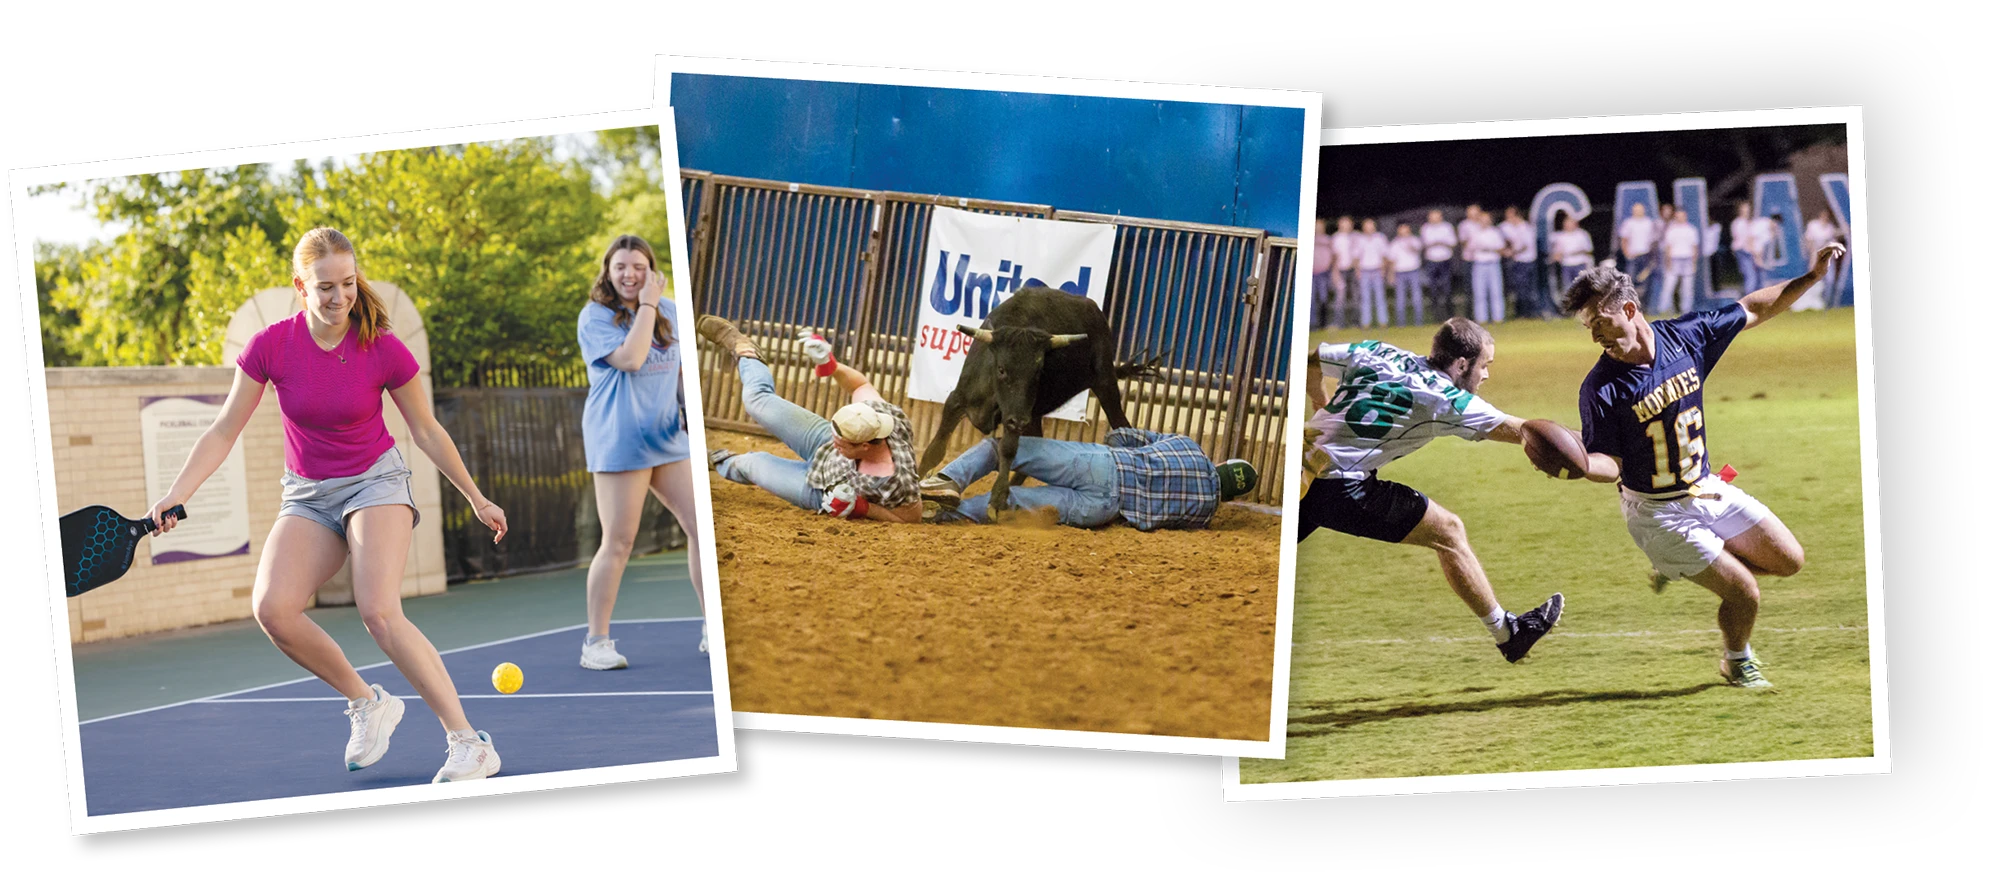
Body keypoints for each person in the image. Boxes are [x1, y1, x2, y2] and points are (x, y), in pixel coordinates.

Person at [146, 228, 508, 782]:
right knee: (273, 609)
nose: (340, 297)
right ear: (300, 286)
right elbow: (223, 430)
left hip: (375, 483)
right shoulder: (271, 345)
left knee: (379, 611)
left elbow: (428, 431)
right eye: (325, 287)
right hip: (308, 493)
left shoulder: (382, 346)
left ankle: (469, 742)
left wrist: (476, 497)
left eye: (348, 283)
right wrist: (178, 493)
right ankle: (369, 702)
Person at [1559, 243, 1846, 689]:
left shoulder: (1685, 337)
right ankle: (1737, 660)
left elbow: (1752, 309)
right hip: (1657, 512)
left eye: (1600, 321)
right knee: (1743, 591)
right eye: (1587, 327)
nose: (1594, 334)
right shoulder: (1599, 388)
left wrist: (1810, 278)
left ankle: (1680, 564)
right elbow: (1609, 464)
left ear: (1630, 308)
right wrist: (1575, 463)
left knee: (1790, 561)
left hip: (1705, 486)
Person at [1298, 318, 1565, 663]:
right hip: (1339, 484)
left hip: (1301, 463)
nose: (1486, 376)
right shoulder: (1445, 398)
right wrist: (1591, 453)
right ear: (1462, 364)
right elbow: (1524, 431)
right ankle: (1510, 635)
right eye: (1485, 366)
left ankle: (1510, 634)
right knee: (1448, 532)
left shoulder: (1378, 351)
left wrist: (1319, 401)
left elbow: (1312, 359)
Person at [576, 234, 707, 668]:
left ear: (650, 269)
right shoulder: (595, 317)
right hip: (620, 439)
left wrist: (693, 418)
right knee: (619, 541)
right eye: (621, 267)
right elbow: (632, 359)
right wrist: (649, 305)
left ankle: (713, 625)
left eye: (638, 266)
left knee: (701, 528)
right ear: (608, 273)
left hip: (668, 437)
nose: (630, 275)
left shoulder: (670, 312)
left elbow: (680, 372)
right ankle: (596, 643)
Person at [698, 318, 924, 522]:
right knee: (756, 400)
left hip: (821, 489)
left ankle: (716, 460)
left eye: (842, 441)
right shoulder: (886, 417)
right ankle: (745, 350)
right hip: (820, 441)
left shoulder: (898, 481)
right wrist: (831, 364)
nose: (838, 440)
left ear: (865, 445)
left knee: (750, 464)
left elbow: (910, 518)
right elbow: (860, 385)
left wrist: (863, 508)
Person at [918, 430, 1259, 530]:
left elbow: (1122, 435)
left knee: (1002, 449)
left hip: (1103, 465)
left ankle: (948, 480)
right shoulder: (1204, 515)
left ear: (1221, 463)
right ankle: (942, 514)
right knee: (1009, 503)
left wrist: (1117, 447)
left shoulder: (1188, 447)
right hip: (1105, 509)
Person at [1658, 208, 1702, 315]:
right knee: (1669, 285)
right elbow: (1668, 247)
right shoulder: (1671, 230)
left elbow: (1695, 247)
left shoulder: (1691, 230)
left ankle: (1686, 309)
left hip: (1687, 259)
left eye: (1682, 215)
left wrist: (1694, 263)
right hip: (1674, 259)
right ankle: (1663, 308)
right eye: (1678, 216)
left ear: (1685, 216)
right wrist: (1668, 262)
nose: (1680, 218)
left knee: (1687, 287)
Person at [1466, 211, 1507, 323]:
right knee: (1480, 292)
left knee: (1496, 291)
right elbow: (1470, 248)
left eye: (1486, 219)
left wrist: (1489, 248)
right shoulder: (1475, 233)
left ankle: (1498, 317)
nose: (1484, 222)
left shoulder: (1495, 232)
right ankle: (1481, 318)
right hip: (1479, 264)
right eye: (1482, 219)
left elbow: (1501, 248)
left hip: (1493, 264)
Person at [1798, 209, 1842, 311]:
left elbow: (1833, 242)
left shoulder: (1830, 228)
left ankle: (1827, 304)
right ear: (1820, 216)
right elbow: (1809, 241)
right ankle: (1811, 302)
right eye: (1823, 216)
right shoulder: (1813, 225)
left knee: (1830, 281)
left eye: (1827, 216)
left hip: (1827, 256)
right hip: (1815, 254)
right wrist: (1812, 257)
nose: (1825, 218)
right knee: (1814, 280)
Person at [1499, 206, 1538, 318]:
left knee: (1527, 288)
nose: (1508, 218)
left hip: (1527, 261)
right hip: (1516, 261)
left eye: (1510, 215)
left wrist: (1512, 252)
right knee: (1518, 289)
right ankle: (1519, 312)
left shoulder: (1526, 227)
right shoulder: (1507, 227)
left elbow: (1525, 246)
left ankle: (1528, 313)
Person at [1419, 210, 1457, 324]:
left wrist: (1440, 242)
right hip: (1431, 261)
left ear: (1441, 217)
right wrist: (1437, 243)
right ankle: (1437, 317)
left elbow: (1453, 242)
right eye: (1432, 217)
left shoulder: (1447, 227)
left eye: (1436, 217)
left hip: (1445, 260)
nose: (1434, 219)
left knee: (1447, 289)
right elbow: (1424, 243)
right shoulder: (1425, 228)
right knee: (1433, 290)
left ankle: (1450, 316)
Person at [1353, 218, 1391, 328]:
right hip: (1364, 271)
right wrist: (1357, 271)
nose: (1369, 228)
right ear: (1363, 227)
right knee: (1365, 298)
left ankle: (1383, 322)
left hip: (1377, 270)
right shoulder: (1359, 239)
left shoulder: (1380, 238)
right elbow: (1356, 257)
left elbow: (1384, 255)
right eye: (1367, 225)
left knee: (1380, 297)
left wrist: (1384, 270)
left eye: (1371, 225)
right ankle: (1366, 323)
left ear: (1374, 226)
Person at [1618, 203, 1659, 300]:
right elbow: (1624, 240)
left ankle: (1643, 305)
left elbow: (1653, 241)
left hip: (1645, 256)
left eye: (1640, 210)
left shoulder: (1649, 222)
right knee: (1630, 280)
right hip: (1633, 256)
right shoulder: (1628, 223)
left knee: (1645, 281)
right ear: (1633, 211)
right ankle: (1630, 303)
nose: (1638, 212)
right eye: (1636, 210)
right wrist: (1627, 254)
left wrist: (1652, 255)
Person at [1389, 222, 1425, 327]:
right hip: (1400, 272)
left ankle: (1419, 322)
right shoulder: (1395, 243)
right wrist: (1391, 274)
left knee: (1416, 297)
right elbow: (1392, 260)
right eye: (1401, 229)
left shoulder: (1414, 240)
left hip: (1414, 271)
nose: (1403, 231)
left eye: (1405, 228)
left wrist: (1409, 244)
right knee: (1400, 299)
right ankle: (1401, 324)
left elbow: (1417, 249)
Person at [1549, 211, 1595, 294]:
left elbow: (1588, 250)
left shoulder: (1582, 234)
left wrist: (1571, 253)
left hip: (1580, 265)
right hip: (1566, 266)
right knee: (1568, 288)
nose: (1568, 224)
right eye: (1566, 222)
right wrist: (1555, 257)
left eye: (1570, 222)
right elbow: (1556, 251)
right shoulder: (1559, 236)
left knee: (1581, 288)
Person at [1454, 204, 1484, 319]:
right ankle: (1470, 314)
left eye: (1476, 213)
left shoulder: (1483, 224)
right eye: (1471, 213)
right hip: (1469, 259)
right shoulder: (1464, 225)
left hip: (1482, 259)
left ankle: (1483, 315)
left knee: (1482, 289)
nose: (1474, 216)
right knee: (1469, 288)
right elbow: (1463, 241)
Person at [1330, 216, 1359, 329]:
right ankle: (1339, 323)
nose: (1346, 226)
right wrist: (1335, 272)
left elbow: (1357, 255)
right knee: (1340, 297)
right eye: (1343, 223)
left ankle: (1355, 323)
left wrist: (1357, 270)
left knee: (1355, 297)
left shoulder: (1356, 236)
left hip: (1352, 270)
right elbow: (1334, 257)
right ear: (1339, 225)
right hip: (1341, 270)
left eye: (1348, 223)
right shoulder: (1336, 238)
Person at [1729, 202, 1759, 293]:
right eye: (1745, 210)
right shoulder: (1742, 223)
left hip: (1740, 250)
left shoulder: (1737, 223)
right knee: (1751, 276)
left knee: (1748, 275)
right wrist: (1754, 252)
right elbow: (1746, 239)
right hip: (1744, 250)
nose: (1747, 212)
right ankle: (1749, 297)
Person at [1311, 218, 1334, 329]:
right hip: (1312, 273)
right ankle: (1312, 323)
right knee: (1312, 299)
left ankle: (1323, 323)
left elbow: (1334, 255)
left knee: (1324, 298)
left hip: (1324, 273)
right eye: (1316, 225)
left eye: (1320, 225)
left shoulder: (1328, 239)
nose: (1318, 228)